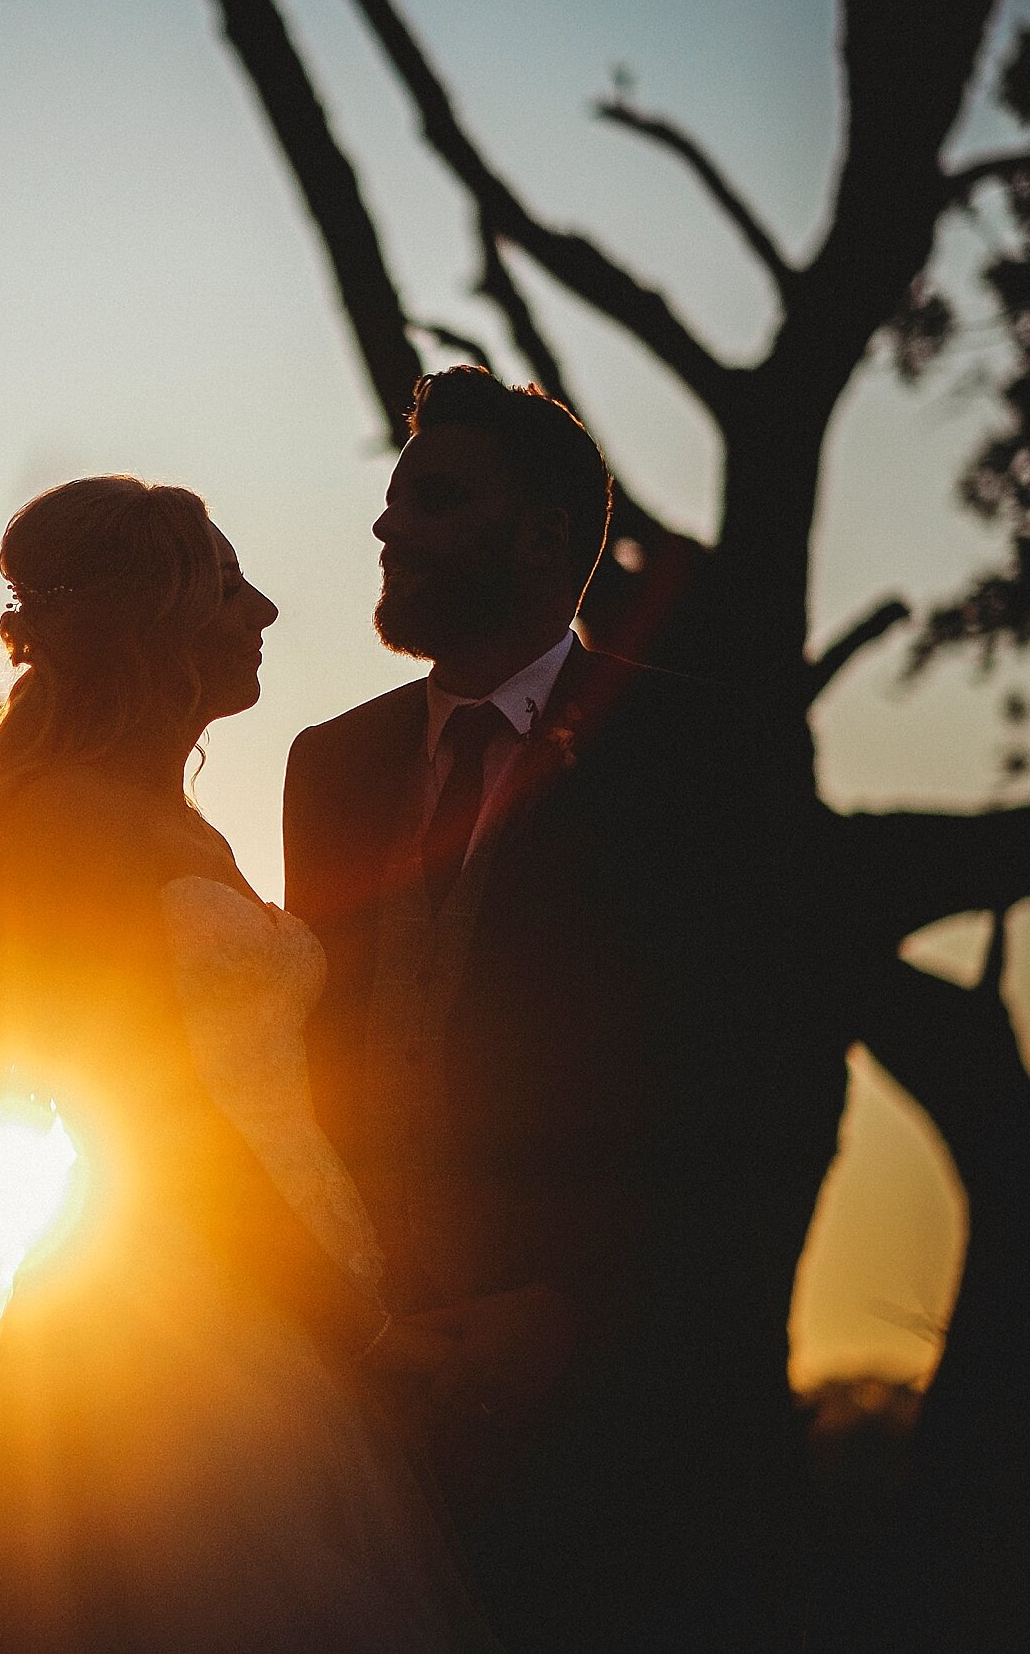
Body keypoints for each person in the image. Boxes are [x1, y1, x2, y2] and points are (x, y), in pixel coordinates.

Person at [0, 476, 495, 1654]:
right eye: (224, 582)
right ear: (146, 619)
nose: (264, 607)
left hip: (298, 1291)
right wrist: (344, 1323)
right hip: (180, 1318)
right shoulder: (63, 817)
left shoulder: (175, 816)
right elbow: (154, 1121)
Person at [283, 367, 837, 1650]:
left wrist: (571, 1311)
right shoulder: (331, 764)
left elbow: (746, 1076)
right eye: (389, 498)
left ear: (541, 538)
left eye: (434, 498)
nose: (387, 527)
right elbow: (322, 1052)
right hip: (365, 1402)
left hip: (620, 1426)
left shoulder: (696, 749)